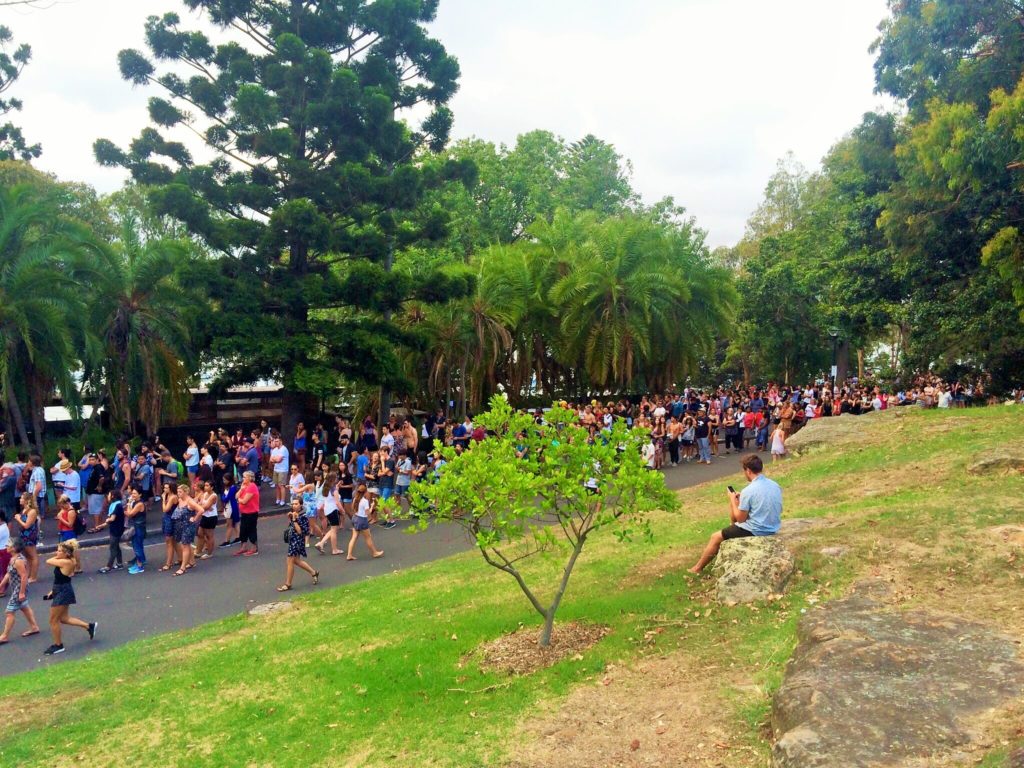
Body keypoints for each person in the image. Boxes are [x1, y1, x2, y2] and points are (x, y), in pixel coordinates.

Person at [689, 454, 783, 573]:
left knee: (716, 537)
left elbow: (740, 519)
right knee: (731, 528)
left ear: (748, 470)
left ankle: (697, 568)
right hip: (773, 525)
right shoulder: (774, 485)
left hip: (758, 529)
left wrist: (733, 501)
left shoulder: (749, 490)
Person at [42, 539, 96, 655]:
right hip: (62, 589)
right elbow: (61, 579)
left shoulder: (65, 562)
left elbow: (48, 560)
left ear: (66, 554)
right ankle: (89, 626)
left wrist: (57, 557)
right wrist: (53, 591)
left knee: (53, 620)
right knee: (63, 618)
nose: (57, 553)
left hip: (63, 591)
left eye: (59, 551)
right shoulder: (69, 560)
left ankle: (58, 645)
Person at [0, 539, 39, 644]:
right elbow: (9, 573)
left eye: (8, 545)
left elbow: (24, 576)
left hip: (19, 588)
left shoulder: (18, 561)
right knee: (24, 607)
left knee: (9, 611)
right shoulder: (13, 558)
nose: (6, 546)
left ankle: (4, 636)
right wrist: (1, 585)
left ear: (14, 548)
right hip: (16, 587)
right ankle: (34, 627)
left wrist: (21, 592)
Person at [277, 498, 318, 592]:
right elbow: (291, 526)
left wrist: (295, 520)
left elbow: (300, 531)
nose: (294, 505)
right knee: (296, 560)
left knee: (290, 560)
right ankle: (313, 572)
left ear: (301, 505)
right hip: (292, 540)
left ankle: (288, 584)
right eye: (293, 504)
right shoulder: (294, 514)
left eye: (296, 504)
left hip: (298, 540)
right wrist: (291, 518)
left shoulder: (303, 516)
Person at [346, 484, 384, 561]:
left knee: (354, 537)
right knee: (368, 537)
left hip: (355, 518)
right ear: (365, 492)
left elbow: (352, 508)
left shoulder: (355, 499)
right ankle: (374, 553)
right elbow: (368, 513)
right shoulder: (364, 501)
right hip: (362, 520)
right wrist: (372, 506)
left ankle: (349, 555)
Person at [96, 490, 125, 574]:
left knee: (113, 547)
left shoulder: (116, 505)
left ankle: (108, 566)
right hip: (116, 528)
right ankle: (119, 563)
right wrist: (102, 525)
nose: (107, 497)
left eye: (109, 495)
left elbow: (112, 518)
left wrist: (106, 521)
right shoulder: (116, 504)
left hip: (116, 529)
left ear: (113, 496)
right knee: (116, 546)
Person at [314, 474, 344, 556]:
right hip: (333, 510)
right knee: (334, 530)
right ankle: (334, 549)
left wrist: (337, 486)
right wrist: (342, 511)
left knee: (332, 529)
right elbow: (337, 502)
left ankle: (321, 543)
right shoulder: (334, 490)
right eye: (336, 478)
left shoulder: (326, 488)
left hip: (327, 510)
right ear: (333, 479)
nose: (337, 479)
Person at [235, 471, 260, 557]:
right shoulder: (244, 486)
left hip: (251, 513)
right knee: (243, 530)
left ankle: (254, 548)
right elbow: (236, 496)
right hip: (244, 513)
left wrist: (239, 500)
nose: (243, 478)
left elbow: (244, 501)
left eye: (245, 477)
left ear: (250, 478)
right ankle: (243, 547)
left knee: (251, 530)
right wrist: (241, 490)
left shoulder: (252, 487)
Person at [125, 487, 147, 574]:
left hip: (138, 527)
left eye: (135, 493)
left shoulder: (139, 504)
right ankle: (140, 562)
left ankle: (140, 566)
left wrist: (129, 504)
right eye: (132, 493)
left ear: (140, 494)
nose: (132, 495)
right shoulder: (136, 502)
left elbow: (129, 514)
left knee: (137, 546)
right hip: (136, 526)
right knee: (137, 545)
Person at [159, 482, 180, 572]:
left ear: (171, 488)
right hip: (166, 519)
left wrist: (163, 499)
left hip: (170, 520)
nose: (165, 490)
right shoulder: (168, 496)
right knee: (173, 542)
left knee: (169, 542)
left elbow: (165, 509)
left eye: (167, 488)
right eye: (164, 488)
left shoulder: (173, 497)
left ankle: (168, 563)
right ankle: (180, 558)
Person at [219, 475, 240, 548]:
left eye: (225, 480)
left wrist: (223, 497)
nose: (224, 481)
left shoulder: (232, 488)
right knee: (235, 523)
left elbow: (226, 498)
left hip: (231, 507)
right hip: (228, 507)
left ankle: (227, 541)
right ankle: (238, 537)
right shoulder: (228, 487)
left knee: (229, 525)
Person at [269, 437, 290, 506]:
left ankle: (282, 501)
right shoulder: (274, 449)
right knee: (277, 486)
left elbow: (278, 460)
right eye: (275, 441)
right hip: (276, 469)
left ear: (281, 441)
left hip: (283, 470)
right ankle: (277, 500)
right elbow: (271, 460)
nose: (275, 443)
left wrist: (275, 459)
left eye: (277, 441)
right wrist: (276, 459)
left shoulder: (284, 449)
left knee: (281, 485)